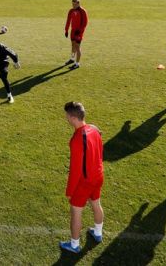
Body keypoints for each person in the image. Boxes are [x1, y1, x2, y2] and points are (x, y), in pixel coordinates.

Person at [59, 102, 105, 254]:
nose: (66, 119)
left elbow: (76, 169)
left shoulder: (77, 139)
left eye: (67, 116)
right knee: (96, 204)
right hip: (98, 175)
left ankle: (74, 245)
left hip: (85, 181)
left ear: (73, 118)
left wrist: (70, 190)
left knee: (76, 211)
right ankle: (98, 233)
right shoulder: (94, 128)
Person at [64, 0, 88, 70]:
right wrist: (66, 30)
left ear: (78, 3)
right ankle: (72, 59)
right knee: (73, 45)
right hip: (73, 31)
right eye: (72, 4)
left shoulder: (83, 11)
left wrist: (80, 31)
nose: (73, 5)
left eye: (75, 4)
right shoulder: (71, 11)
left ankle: (77, 64)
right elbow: (68, 20)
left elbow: (85, 23)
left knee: (77, 47)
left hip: (79, 32)